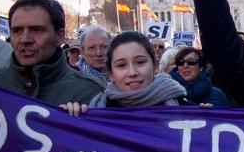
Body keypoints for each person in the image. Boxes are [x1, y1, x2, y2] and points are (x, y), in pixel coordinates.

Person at [0, 0, 104, 105]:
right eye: (17, 31)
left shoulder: (91, 93)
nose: (25, 39)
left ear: (59, 37)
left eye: (37, 30)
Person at [61, 31, 190, 115]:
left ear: (155, 66)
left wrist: (207, 116)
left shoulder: (184, 109)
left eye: (140, 62)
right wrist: (70, 117)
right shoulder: (93, 112)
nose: (132, 72)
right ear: (110, 74)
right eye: (121, 65)